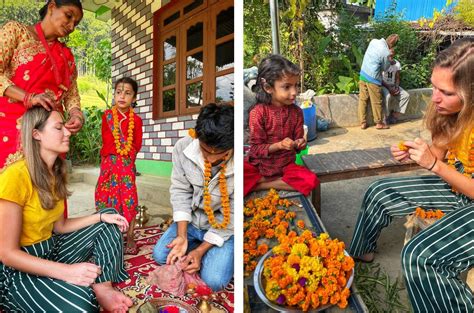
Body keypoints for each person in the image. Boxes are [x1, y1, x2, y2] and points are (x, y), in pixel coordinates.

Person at [349, 38, 473, 312]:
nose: (435, 97)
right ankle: (360, 252)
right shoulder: (447, 112)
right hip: (457, 185)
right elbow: (439, 157)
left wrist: (434, 166)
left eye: (446, 92)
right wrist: (416, 153)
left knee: (419, 255)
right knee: (379, 190)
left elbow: (439, 166)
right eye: (434, 87)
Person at [0, 107, 133, 312]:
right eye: (58, 127)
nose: (68, 132)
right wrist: (66, 272)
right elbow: (7, 254)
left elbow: (60, 226)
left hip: (51, 248)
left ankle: (103, 287)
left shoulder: (56, 171)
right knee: (80, 304)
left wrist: (100, 217)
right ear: (36, 134)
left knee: (109, 217)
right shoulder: (15, 176)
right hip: (19, 267)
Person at [153, 103, 234, 292]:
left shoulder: (239, 162)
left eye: (221, 155)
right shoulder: (182, 148)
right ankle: (193, 244)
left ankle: (207, 249)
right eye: (206, 151)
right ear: (196, 137)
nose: (212, 160)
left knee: (214, 280)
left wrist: (199, 251)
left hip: (223, 227)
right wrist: (182, 236)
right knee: (159, 255)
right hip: (191, 224)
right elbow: (180, 191)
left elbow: (233, 216)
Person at [0, 0, 85, 169]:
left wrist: (76, 115)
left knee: (48, 188)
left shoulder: (66, 55)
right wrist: (28, 98)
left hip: (50, 135)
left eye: (76, 23)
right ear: (52, 7)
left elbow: (71, 93)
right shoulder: (16, 31)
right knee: (13, 187)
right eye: (68, 16)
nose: (71, 26)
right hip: (13, 128)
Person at [244, 54, 319, 197]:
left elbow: (298, 143)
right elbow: (256, 149)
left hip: (286, 167)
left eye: (296, 85)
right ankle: (269, 181)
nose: (294, 92)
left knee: (312, 181)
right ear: (267, 87)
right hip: (259, 167)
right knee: (235, 178)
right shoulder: (258, 112)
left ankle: (260, 184)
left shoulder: (297, 112)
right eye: (287, 87)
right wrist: (279, 145)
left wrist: (300, 143)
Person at [95, 77, 143, 225]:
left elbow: (137, 144)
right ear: (114, 95)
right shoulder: (107, 116)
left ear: (134, 97)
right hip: (109, 165)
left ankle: (130, 233)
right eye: (118, 92)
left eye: (127, 93)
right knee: (105, 194)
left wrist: (126, 159)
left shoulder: (136, 120)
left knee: (129, 198)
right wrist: (112, 159)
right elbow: (106, 141)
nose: (122, 96)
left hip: (126, 164)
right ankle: (105, 226)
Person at [358, 34, 399, 130]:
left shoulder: (373, 41)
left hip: (363, 73)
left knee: (363, 100)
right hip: (373, 78)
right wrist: (390, 61)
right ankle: (379, 123)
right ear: (392, 45)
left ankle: (363, 123)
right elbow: (384, 68)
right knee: (376, 101)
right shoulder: (385, 52)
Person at [381, 49, 410, 124]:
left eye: (391, 54)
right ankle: (386, 117)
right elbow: (380, 79)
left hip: (393, 85)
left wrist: (396, 87)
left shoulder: (397, 64)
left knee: (406, 95)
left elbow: (397, 78)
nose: (390, 56)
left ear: (394, 54)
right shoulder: (383, 63)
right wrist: (389, 88)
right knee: (387, 96)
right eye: (388, 54)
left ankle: (394, 115)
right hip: (383, 85)